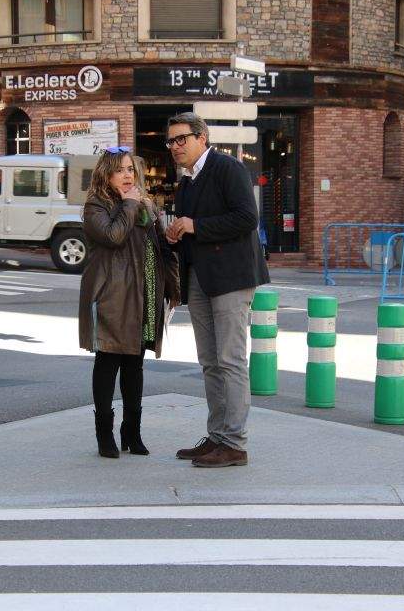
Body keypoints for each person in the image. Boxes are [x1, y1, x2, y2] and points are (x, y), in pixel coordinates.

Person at [164, 112, 270, 468]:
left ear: (202, 138)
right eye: (171, 141)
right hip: (199, 277)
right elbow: (194, 230)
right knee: (210, 362)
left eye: (181, 139)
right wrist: (177, 234)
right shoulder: (186, 183)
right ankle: (217, 436)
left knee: (230, 360)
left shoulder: (228, 168)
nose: (175, 146)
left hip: (231, 278)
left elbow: (247, 218)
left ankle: (235, 443)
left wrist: (195, 225)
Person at [79, 147, 179, 459]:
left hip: (144, 293)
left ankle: (132, 432)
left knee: (135, 364)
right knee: (108, 361)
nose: (127, 175)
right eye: (120, 170)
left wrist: (173, 287)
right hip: (112, 294)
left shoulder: (143, 205)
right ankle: (104, 434)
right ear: (105, 174)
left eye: (130, 169)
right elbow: (113, 236)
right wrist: (130, 204)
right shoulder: (96, 206)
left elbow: (159, 248)